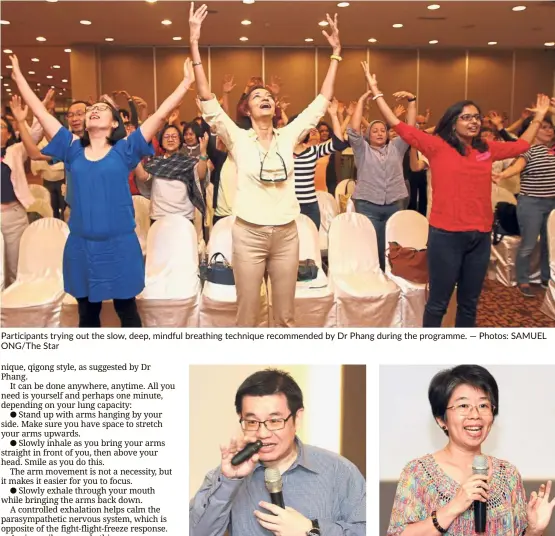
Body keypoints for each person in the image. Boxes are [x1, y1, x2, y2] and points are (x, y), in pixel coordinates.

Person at [9, 54, 197, 328]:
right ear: (85, 123)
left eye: (101, 109)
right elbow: (41, 112)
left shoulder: (125, 149)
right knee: (87, 315)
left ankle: (138, 366)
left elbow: (159, 115)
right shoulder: (71, 148)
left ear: (113, 124)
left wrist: (185, 83)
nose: (94, 110)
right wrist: (19, 77)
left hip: (120, 245)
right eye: (90, 110)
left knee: (128, 312)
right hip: (81, 247)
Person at [189, 2, 341, 327]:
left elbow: (322, 101)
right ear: (246, 108)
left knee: (285, 317)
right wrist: (194, 43)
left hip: (287, 234)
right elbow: (206, 98)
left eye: (268, 94)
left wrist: (336, 54)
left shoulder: (288, 136)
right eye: (257, 95)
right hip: (248, 235)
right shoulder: (237, 138)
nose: (265, 97)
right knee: (247, 315)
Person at [366, 68, 551, 326]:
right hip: (446, 236)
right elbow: (399, 127)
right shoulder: (437, 145)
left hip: (480, 237)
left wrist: (539, 117)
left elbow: (521, 146)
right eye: (466, 117)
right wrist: (376, 93)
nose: (474, 121)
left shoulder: (486, 149)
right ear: (454, 121)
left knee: (469, 303)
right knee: (438, 303)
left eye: (477, 117)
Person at [190, 369, 366, 536]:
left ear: (297, 419)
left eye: (274, 421)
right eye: (252, 422)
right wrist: (229, 482)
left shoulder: (338, 471)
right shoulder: (225, 476)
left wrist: (312, 530)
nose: (263, 433)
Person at [387, 365, 555, 535]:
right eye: (463, 406)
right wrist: (454, 506)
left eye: (483, 405)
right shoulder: (418, 473)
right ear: (441, 420)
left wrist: (534, 530)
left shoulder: (508, 476)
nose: (475, 415)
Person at [348, 63, 416, 270]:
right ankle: (374, 277)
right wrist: (361, 101)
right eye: (374, 130)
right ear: (368, 135)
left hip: (395, 201)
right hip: (368, 204)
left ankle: (393, 277)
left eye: (382, 130)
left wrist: (412, 102)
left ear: (387, 134)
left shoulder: (397, 147)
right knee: (373, 245)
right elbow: (353, 130)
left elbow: (410, 129)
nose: (379, 132)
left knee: (394, 243)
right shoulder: (362, 150)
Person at [493, 115, 555, 297]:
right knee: (528, 244)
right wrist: (502, 175)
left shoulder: (553, 149)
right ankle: (523, 280)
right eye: (544, 127)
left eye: (550, 127)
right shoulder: (528, 150)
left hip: (552, 203)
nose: (549, 130)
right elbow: (517, 167)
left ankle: (546, 277)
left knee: (548, 243)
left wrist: (550, 109)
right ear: (535, 130)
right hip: (531, 203)